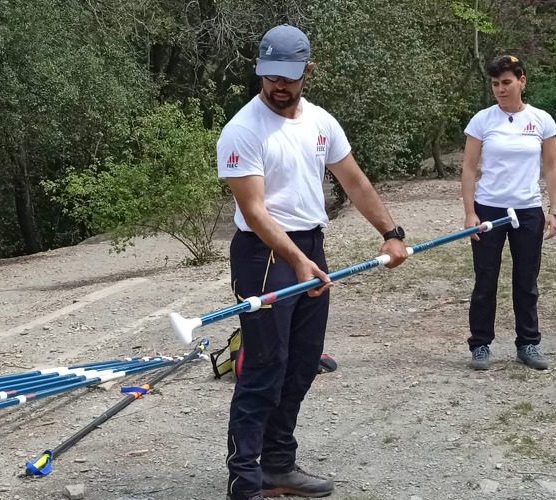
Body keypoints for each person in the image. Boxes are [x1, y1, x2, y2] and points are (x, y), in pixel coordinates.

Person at [217, 24, 408, 500]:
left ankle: (278, 465)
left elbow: (356, 182)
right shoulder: (242, 130)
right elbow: (254, 212)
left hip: (309, 247)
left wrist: (391, 232)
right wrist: (298, 262)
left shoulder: (322, 122)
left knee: (302, 364)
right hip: (263, 256)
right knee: (264, 366)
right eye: (270, 76)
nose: (278, 86)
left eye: (289, 76)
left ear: (308, 71)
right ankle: (244, 480)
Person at [460, 54, 556, 371]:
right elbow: (468, 168)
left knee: (526, 280)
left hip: (529, 210)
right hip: (488, 209)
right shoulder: (482, 121)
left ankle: (528, 344)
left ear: (522, 80)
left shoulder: (541, 120)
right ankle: (480, 346)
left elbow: (552, 166)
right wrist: (469, 213)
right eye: (495, 84)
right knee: (485, 280)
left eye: (506, 83)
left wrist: (555, 210)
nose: (500, 90)